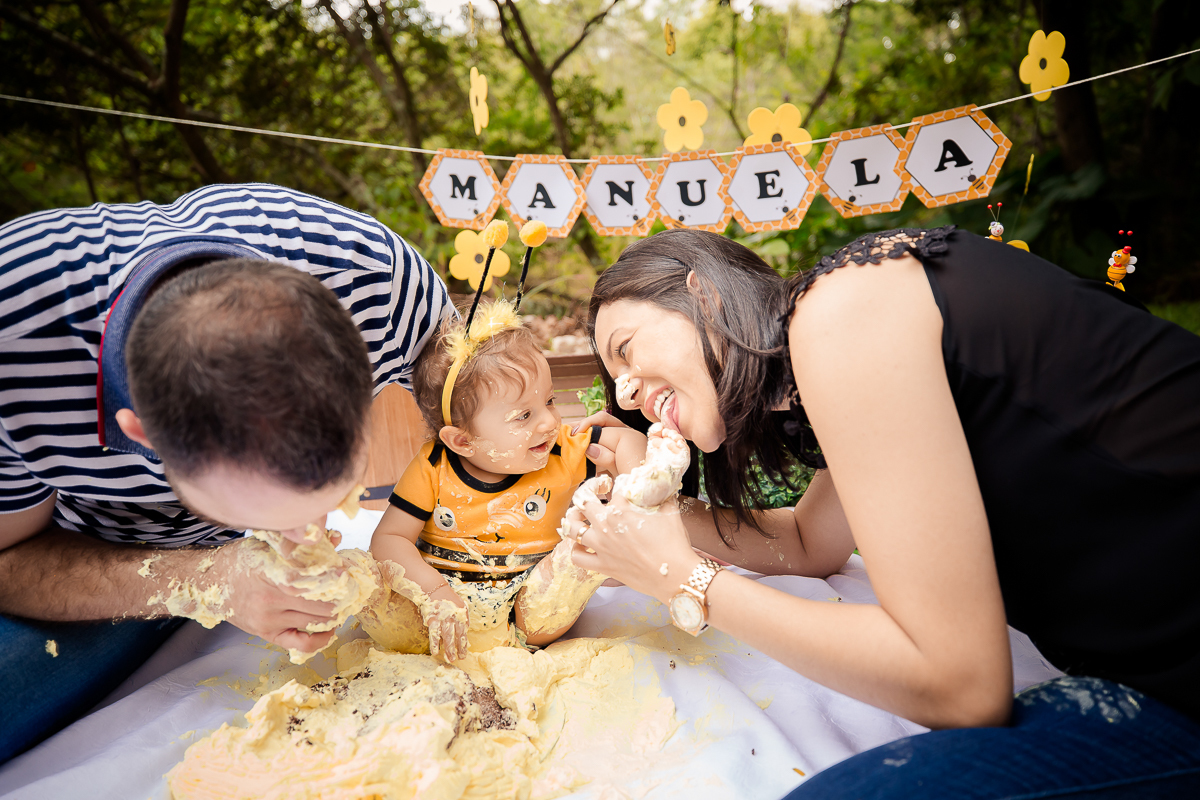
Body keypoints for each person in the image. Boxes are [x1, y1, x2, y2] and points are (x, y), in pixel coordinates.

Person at [565, 226, 1200, 798]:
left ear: (702, 293)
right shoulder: (828, 346)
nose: (623, 391)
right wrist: (656, 521)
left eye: (625, 350)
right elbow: (813, 541)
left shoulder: (845, 318)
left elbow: (959, 685)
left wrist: (683, 580)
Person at [0, 184, 452, 762]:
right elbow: (9, 559)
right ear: (144, 437)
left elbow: (469, 384)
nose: (310, 541)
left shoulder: (378, 280)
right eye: (272, 517)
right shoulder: (17, 347)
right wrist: (212, 582)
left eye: (335, 494)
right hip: (86, 552)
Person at [367, 299, 646, 661]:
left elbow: (629, 440)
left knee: (582, 552)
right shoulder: (434, 465)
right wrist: (433, 592)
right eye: (524, 415)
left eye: (549, 400)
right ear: (463, 441)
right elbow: (388, 539)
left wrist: (636, 503)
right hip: (439, 616)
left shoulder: (562, 447)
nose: (547, 422)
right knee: (367, 586)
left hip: (533, 611)